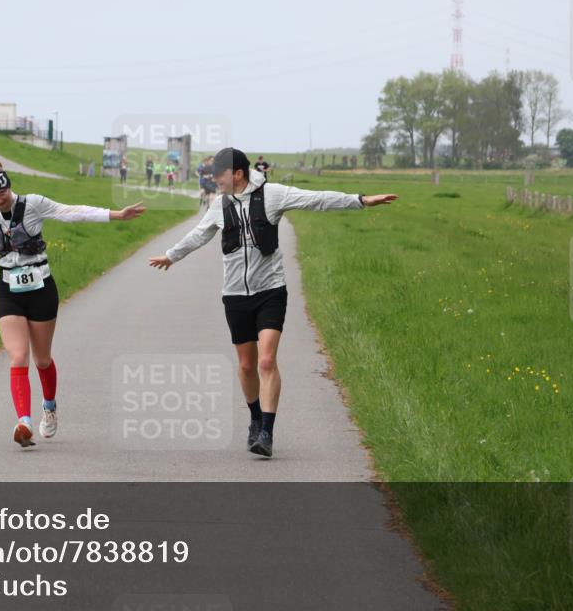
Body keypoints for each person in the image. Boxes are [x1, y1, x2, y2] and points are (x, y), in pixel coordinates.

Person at [147, 148, 395, 458]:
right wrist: (171, 256)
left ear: (237, 174)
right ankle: (254, 417)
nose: (215, 181)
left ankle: (266, 431)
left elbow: (314, 199)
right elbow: (198, 235)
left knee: (266, 361)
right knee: (247, 365)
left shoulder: (273, 195)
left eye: (219, 176)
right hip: (235, 295)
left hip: (270, 292)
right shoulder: (219, 205)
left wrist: (359, 200)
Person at [0, 163, 145, 448]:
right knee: (18, 356)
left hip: (41, 288)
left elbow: (72, 212)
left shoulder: (33, 204)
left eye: (2, 192)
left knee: (41, 359)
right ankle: (24, 422)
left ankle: (49, 407)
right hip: (8, 290)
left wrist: (116, 215)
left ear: (9, 186)